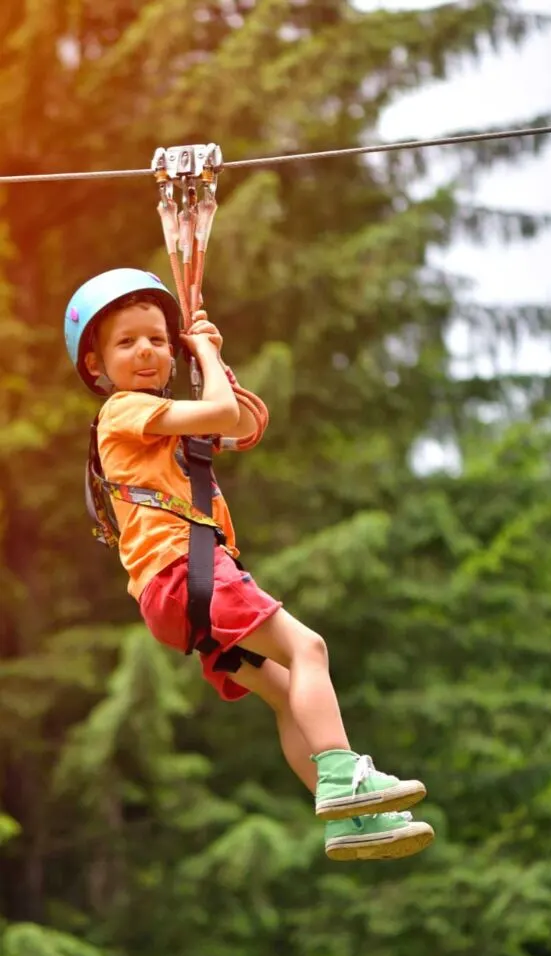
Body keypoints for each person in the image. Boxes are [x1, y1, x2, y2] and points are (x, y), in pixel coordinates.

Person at [64, 268, 434, 861]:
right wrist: (205, 355)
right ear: (96, 366)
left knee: (288, 692)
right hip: (186, 572)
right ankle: (345, 777)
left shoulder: (155, 429)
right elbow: (216, 414)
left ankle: (349, 820)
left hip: (177, 592)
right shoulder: (122, 412)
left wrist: (212, 360)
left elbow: (239, 423)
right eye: (127, 341)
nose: (147, 352)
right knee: (308, 649)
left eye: (159, 340)